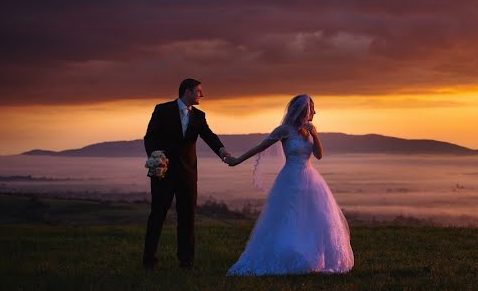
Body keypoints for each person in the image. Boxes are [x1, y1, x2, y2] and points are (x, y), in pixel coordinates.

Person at [225, 94, 354, 276]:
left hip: (311, 179)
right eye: (312, 109)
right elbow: (260, 147)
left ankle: (310, 255)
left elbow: (318, 155)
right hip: (290, 179)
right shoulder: (284, 130)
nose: (315, 112)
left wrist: (315, 135)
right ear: (303, 110)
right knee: (289, 217)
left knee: (313, 218)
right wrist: (237, 160)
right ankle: (289, 253)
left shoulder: (309, 131)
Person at [142, 78, 232, 269]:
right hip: (162, 172)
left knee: (187, 218)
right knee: (157, 216)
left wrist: (222, 151)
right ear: (188, 91)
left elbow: (208, 135)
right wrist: (156, 157)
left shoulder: (199, 116)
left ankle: (186, 262)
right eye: (199, 91)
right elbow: (150, 137)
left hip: (188, 174)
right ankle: (149, 261)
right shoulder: (162, 110)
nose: (202, 95)